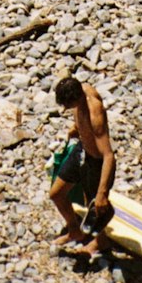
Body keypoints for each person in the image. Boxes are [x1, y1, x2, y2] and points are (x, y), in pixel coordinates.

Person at [49, 76, 116, 253]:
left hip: (96, 161)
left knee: (94, 205)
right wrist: (77, 127)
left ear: (77, 98)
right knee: (56, 194)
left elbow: (108, 156)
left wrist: (102, 193)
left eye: (67, 105)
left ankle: (101, 242)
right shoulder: (83, 88)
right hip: (81, 150)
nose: (65, 109)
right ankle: (74, 231)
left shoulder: (95, 114)